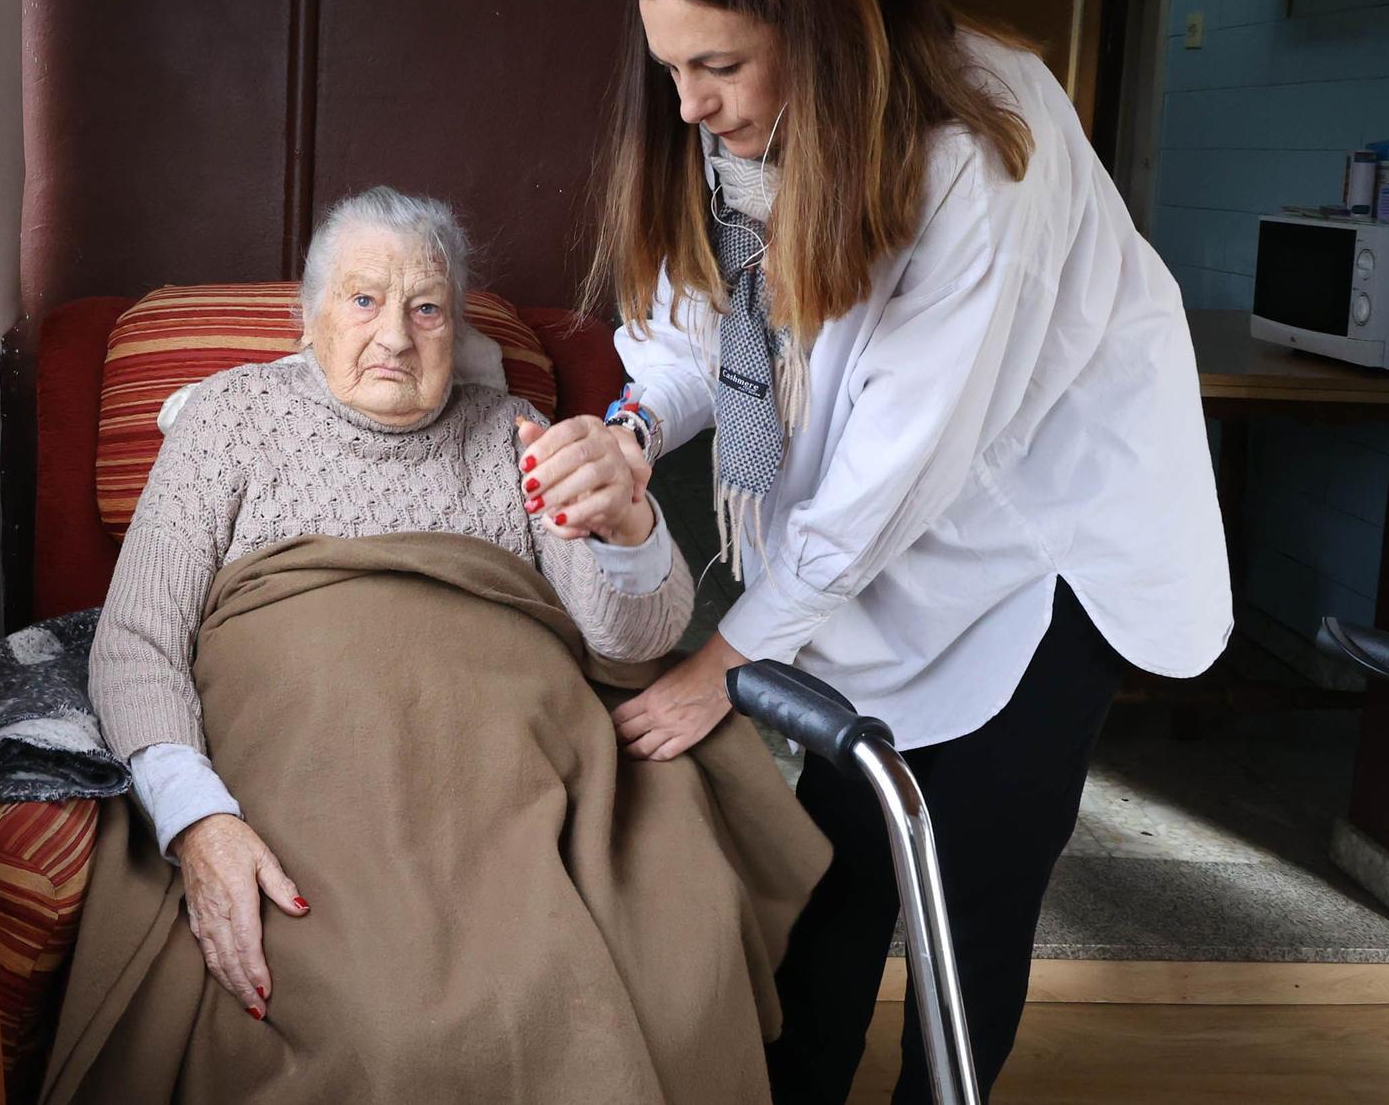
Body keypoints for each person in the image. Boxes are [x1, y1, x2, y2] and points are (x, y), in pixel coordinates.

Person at [519, 0, 1230, 1104]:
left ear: (811, 24)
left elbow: (891, 474)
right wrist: (629, 431)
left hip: (1047, 539)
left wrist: (721, 666)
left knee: (971, 885)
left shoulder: (979, 148)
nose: (685, 105)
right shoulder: (738, 130)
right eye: (668, 67)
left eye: (716, 68)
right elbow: (698, 337)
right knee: (844, 859)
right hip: (887, 531)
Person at [56, 185, 828, 1104]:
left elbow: (630, 643)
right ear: (310, 321)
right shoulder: (227, 421)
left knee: (634, 952)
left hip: (509, 773)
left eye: (426, 307)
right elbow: (136, 638)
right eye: (363, 300)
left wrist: (628, 530)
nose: (395, 336)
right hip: (305, 773)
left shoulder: (516, 438)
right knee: (356, 1017)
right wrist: (198, 821)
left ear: (456, 327)